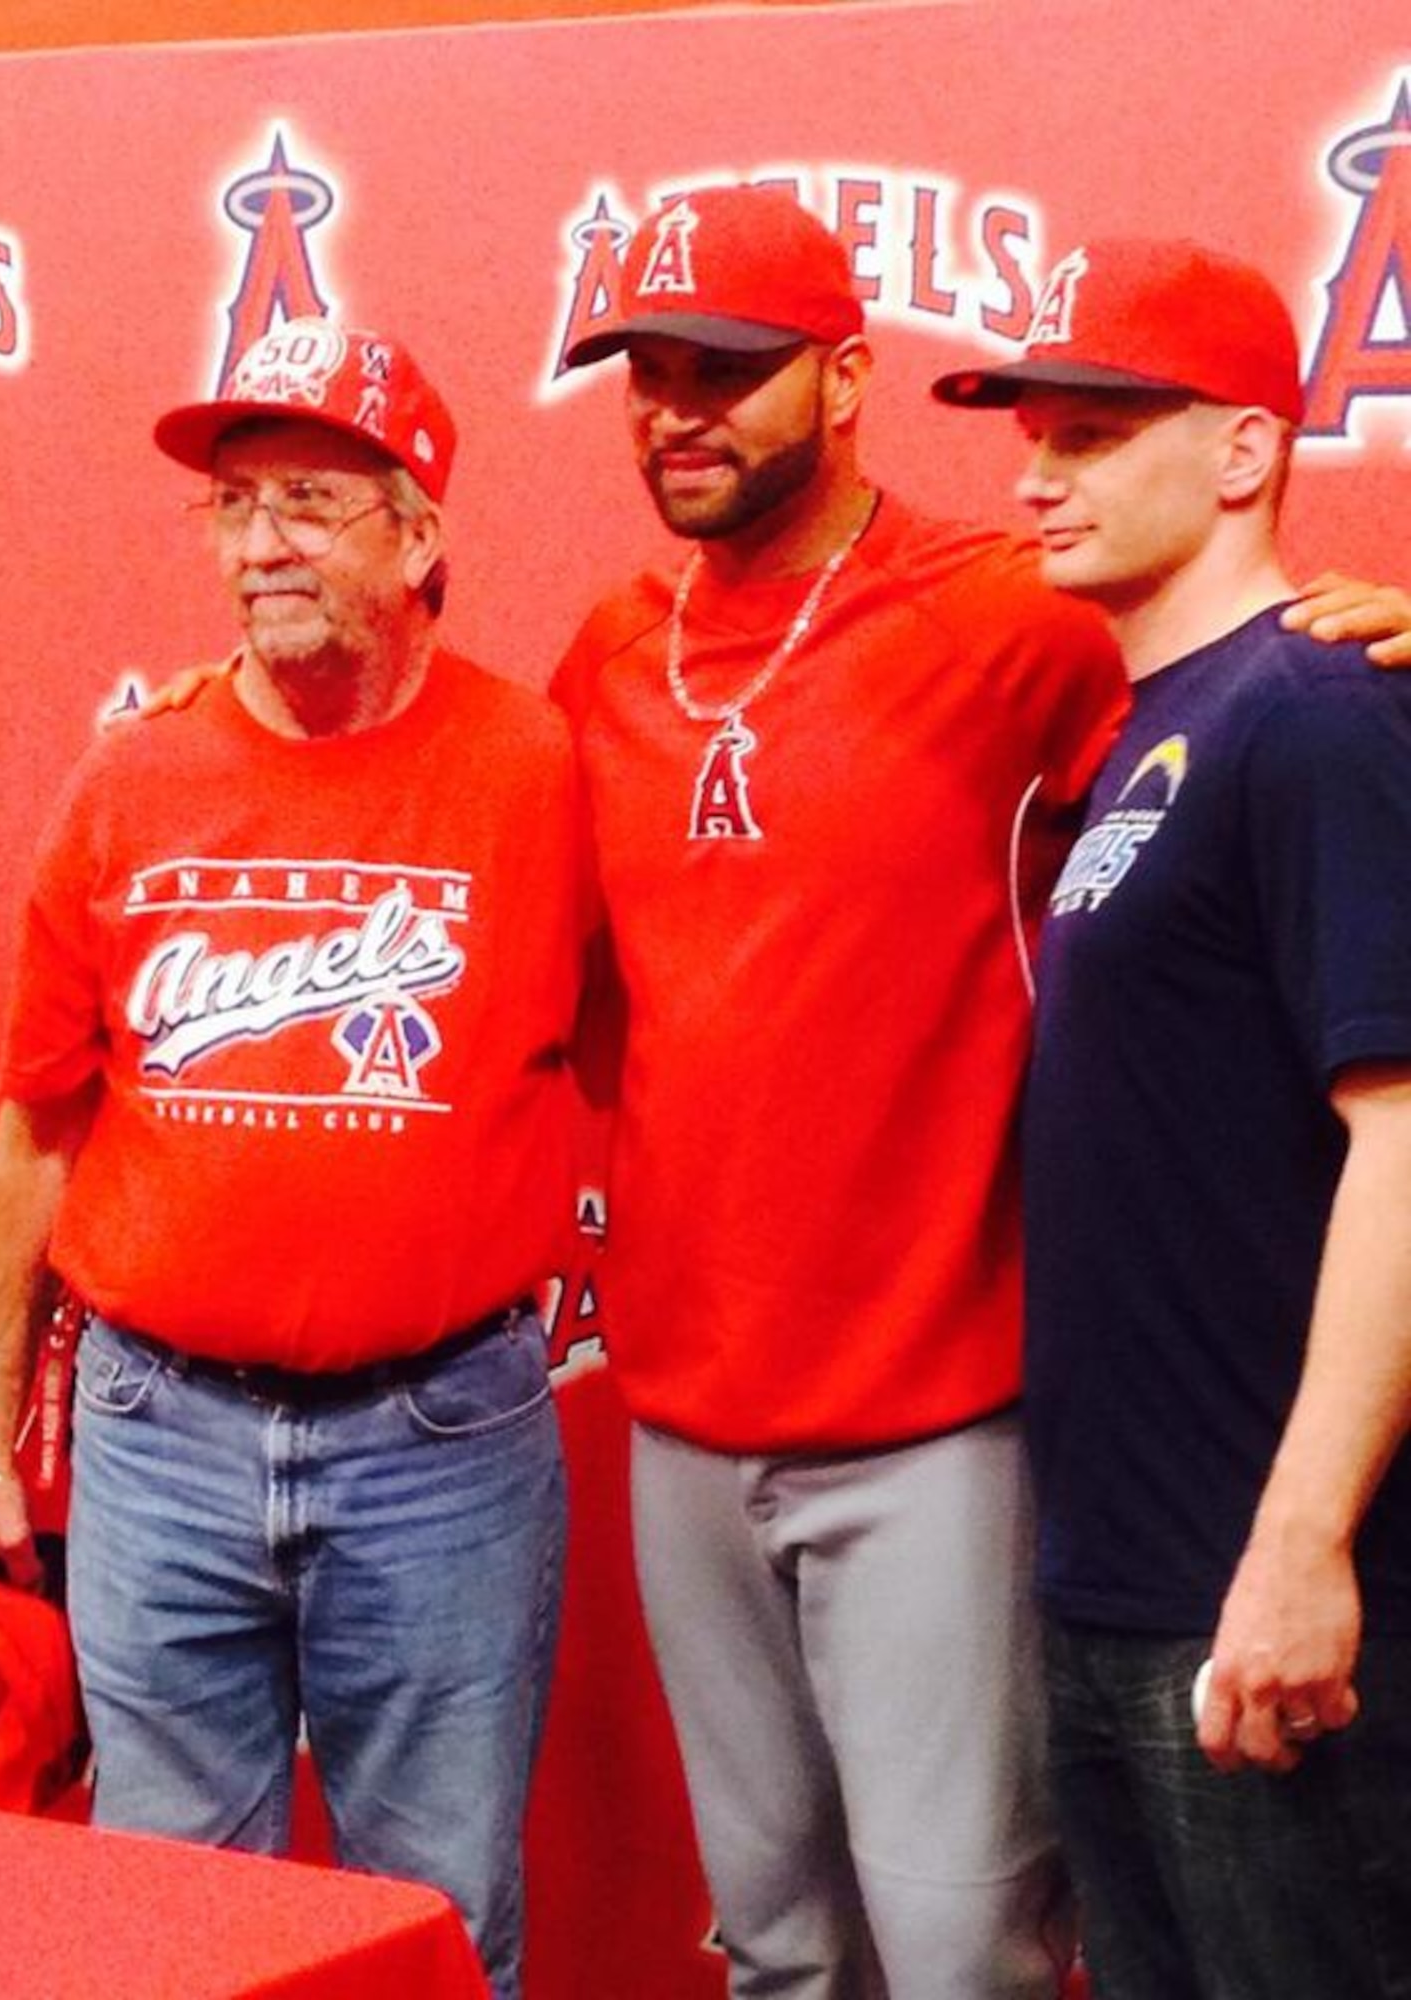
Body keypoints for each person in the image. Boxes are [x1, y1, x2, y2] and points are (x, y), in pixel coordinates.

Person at [0, 317, 583, 2000]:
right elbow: (31, 1139)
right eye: (232, 506)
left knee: (436, 1922)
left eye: (312, 498)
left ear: (422, 536)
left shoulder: (538, 769)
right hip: (162, 1437)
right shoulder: (131, 774)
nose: (261, 543)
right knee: (167, 1935)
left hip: (442, 1439)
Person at [555, 182, 1130, 2000]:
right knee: (778, 1937)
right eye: (646, 374)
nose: (676, 413)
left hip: (936, 1409)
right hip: (683, 1419)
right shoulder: (606, 648)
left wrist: (1357, 626)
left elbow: (1231, 748)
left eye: (724, 370)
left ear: (851, 377)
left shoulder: (1009, 614)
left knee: (961, 1941)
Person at [935, 239, 1411, 1997]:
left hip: (1265, 1592)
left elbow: (1407, 1143)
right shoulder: (1153, 728)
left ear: (1242, 454)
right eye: (1032, 433)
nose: (1034, 475)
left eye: (1093, 432)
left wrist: (1300, 1548)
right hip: (1125, 1576)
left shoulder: (1320, 710)